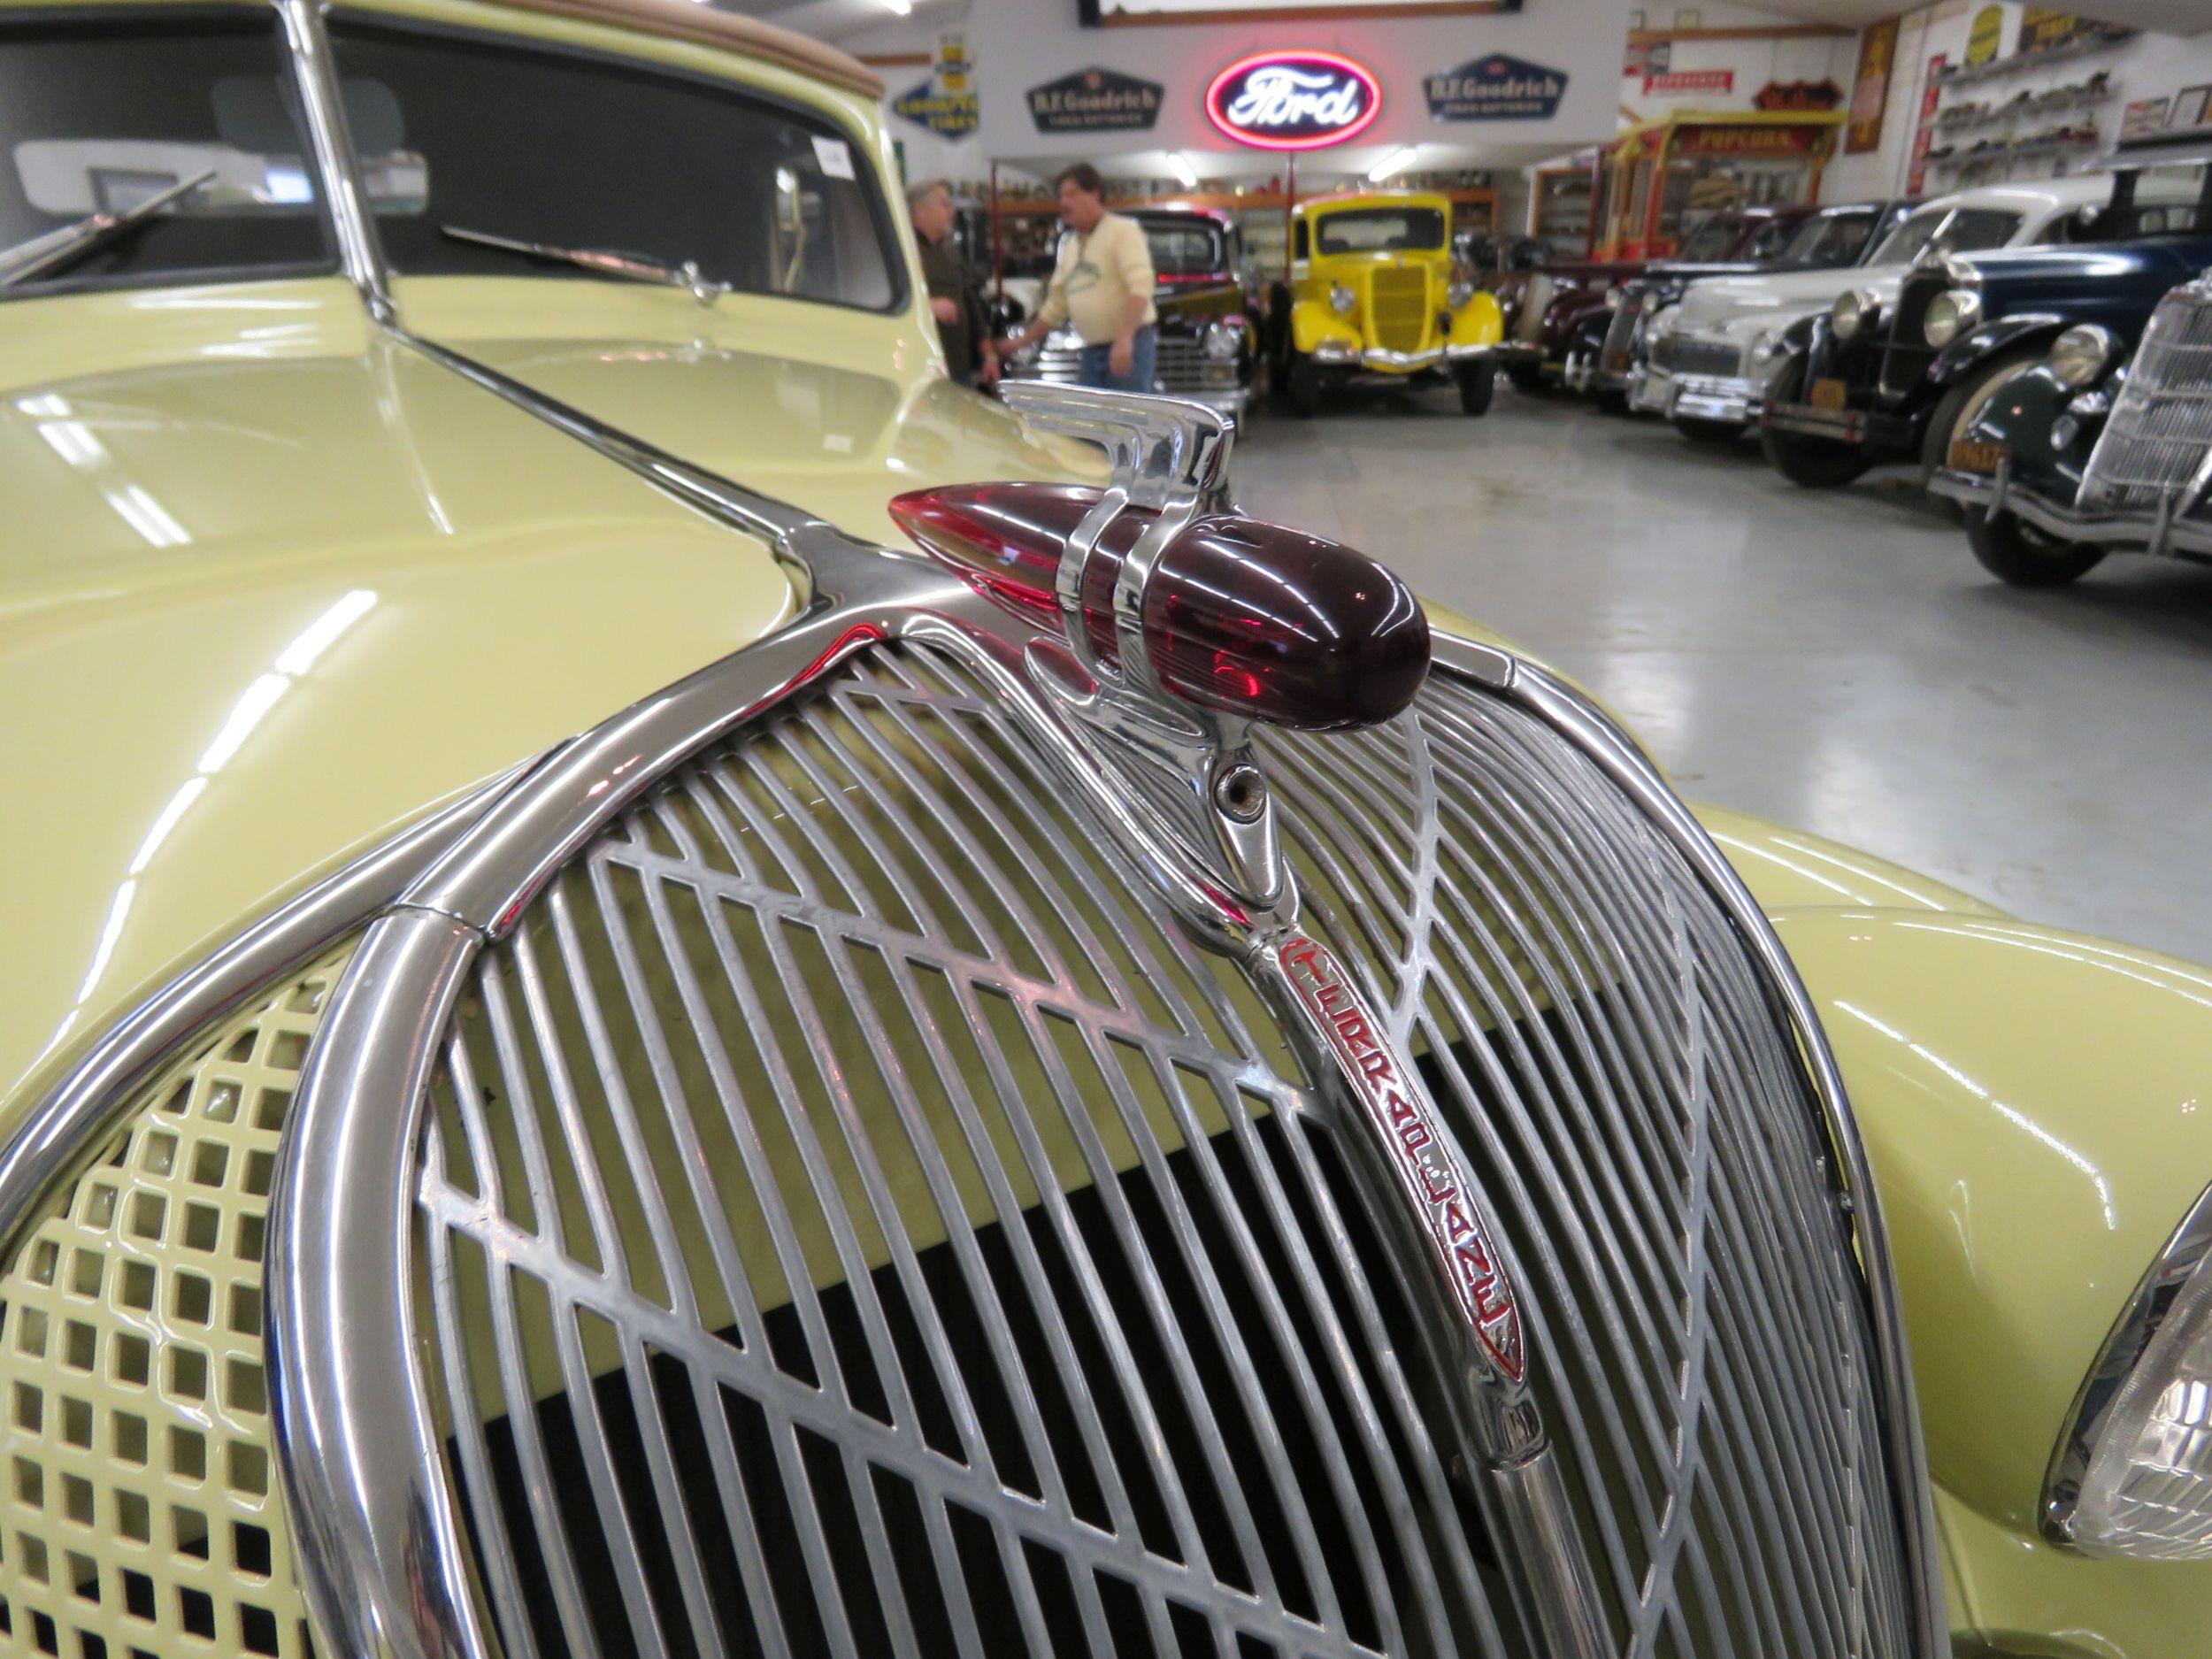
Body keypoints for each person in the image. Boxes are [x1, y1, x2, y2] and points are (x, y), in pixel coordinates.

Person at [1000, 163, 1156, 394]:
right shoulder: (1071, 244)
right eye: (1062, 197)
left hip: (1129, 347)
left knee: (1127, 424)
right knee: (1092, 424)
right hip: (1093, 351)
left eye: (1072, 195)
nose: (1064, 203)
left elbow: (1141, 286)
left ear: (1094, 195)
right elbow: (1057, 304)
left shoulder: (1123, 232)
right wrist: (1022, 342)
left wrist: (1125, 339)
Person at [908, 179, 996, 389]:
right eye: (945, 204)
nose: (953, 212)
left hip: (960, 368)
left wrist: (990, 356)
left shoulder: (950, 252)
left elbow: (971, 305)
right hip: (925, 373)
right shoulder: (905, 253)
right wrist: (929, 306)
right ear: (921, 210)